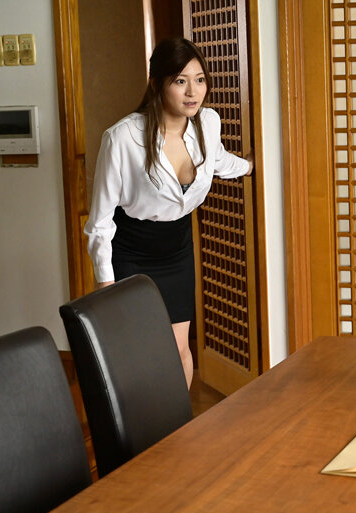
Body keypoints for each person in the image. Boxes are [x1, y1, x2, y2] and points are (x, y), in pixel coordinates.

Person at [85, 37, 253, 389]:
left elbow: (218, 161)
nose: (193, 91)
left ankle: (181, 423)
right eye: (180, 81)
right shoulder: (122, 137)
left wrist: (250, 166)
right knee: (142, 353)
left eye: (200, 79)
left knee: (178, 348)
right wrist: (105, 283)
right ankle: (142, 423)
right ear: (157, 84)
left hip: (177, 249)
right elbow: (100, 220)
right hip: (131, 251)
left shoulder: (208, 122)